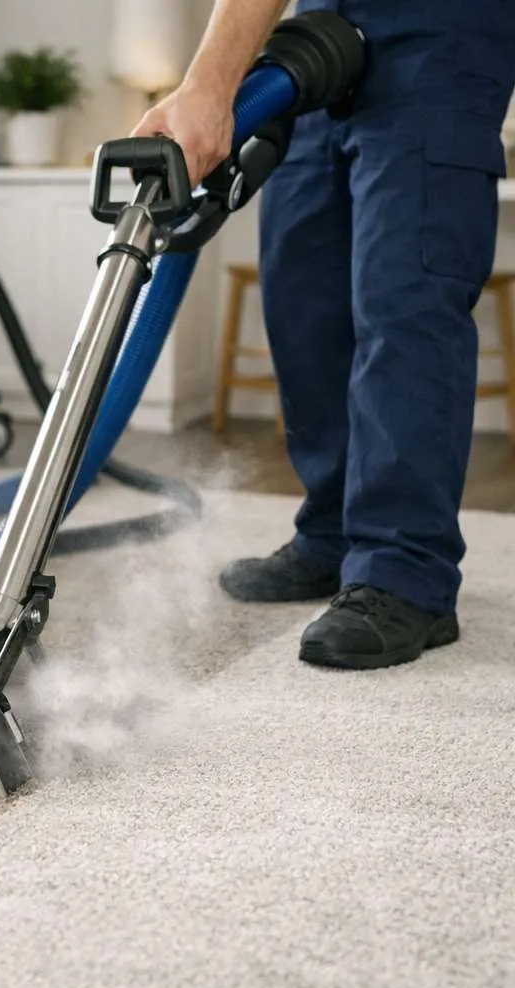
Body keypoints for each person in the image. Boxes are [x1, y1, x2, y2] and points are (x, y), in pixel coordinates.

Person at [132, 0, 515, 670]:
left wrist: (209, 85)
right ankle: (334, 534)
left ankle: (405, 570)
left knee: (405, 302)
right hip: (315, 32)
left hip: (437, 32)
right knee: (303, 299)